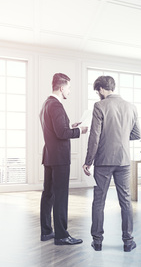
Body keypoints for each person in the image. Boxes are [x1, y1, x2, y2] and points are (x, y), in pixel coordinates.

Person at [82, 75, 141, 252]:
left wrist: (88, 161)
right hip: (123, 161)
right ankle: (128, 241)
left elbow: (94, 137)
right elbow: (137, 134)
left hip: (103, 161)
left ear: (101, 89)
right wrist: (121, 136)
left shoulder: (99, 106)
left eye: (97, 91)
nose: (97, 94)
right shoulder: (131, 107)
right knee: (126, 201)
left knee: (99, 201)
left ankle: (97, 241)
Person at [40, 73, 88, 245]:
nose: (70, 91)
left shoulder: (46, 104)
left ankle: (46, 232)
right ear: (61, 88)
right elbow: (61, 134)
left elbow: (56, 129)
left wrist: (70, 126)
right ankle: (61, 235)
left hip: (49, 156)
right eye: (69, 87)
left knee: (48, 194)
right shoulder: (57, 106)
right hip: (59, 158)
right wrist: (79, 131)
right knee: (60, 196)